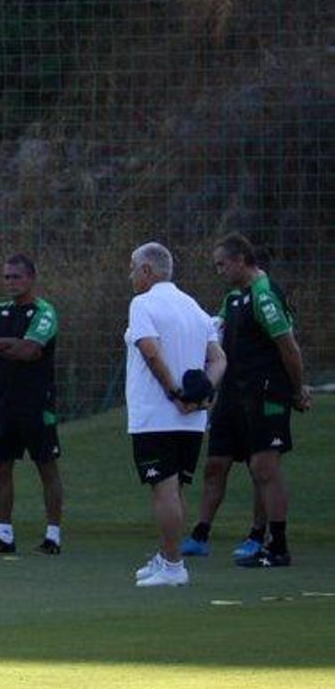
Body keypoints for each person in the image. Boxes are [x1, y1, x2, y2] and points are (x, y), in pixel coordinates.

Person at [184, 234, 310, 568]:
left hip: (266, 392)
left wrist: (297, 389)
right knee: (215, 463)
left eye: (222, 264)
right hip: (233, 395)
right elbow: (215, 332)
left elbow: (289, 347)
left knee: (263, 467)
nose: (219, 271)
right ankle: (199, 535)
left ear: (241, 260)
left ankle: (273, 544)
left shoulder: (264, 296)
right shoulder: (234, 298)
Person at [124, 242, 226, 588]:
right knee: (174, 488)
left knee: (163, 489)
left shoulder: (142, 304)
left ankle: (172, 566)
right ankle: (168, 555)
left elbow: (151, 353)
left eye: (133, 268)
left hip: (156, 416)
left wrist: (175, 393)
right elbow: (219, 359)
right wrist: (203, 394)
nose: (131, 275)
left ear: (147, 270)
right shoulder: (195, 308)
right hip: (191, 421)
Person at [0, 254, 64, 555]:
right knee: (0, 466)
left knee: (46, 467)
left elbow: (30, 351)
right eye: (7, 277)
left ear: (31, 278)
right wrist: (13, 343)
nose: (11, 282)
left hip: (37, 403)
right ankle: (4, 536)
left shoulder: (44, 312)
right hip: (5, 403)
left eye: (17, 277)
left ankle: (52, 537)